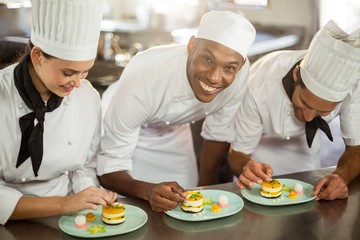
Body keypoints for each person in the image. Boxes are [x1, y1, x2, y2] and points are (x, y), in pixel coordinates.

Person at [97, 10, 256, 212]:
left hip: (175, 129)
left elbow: (218, 131)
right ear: (191, 46)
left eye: (229, 68)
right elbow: (109, 168)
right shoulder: (145, 78)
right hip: (129, 129)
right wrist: (147, 191)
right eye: (207, 59)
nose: (215, 77)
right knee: (129, 209)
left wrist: (203, 190)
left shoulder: (240, 74)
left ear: (240, 66)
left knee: (187, 201)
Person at [0, 0, 117, 225]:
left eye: (85, 72)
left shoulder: (88, 98)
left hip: (69, 220)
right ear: (37, 56)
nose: (77, 84)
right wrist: (63, 204)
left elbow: (85, 165)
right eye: (68, 72)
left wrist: (91, 198)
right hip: (9, 221)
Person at [229, 20, 360, 200]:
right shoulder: (258, 87)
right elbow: (237, 154)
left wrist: (341, 176)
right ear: (297, 74)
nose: (308, 118)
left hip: (306, 152)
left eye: (321, 112)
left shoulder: (353, 89)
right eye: (304, 103)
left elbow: (357, 145)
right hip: (261, 150)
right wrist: (246, 167)